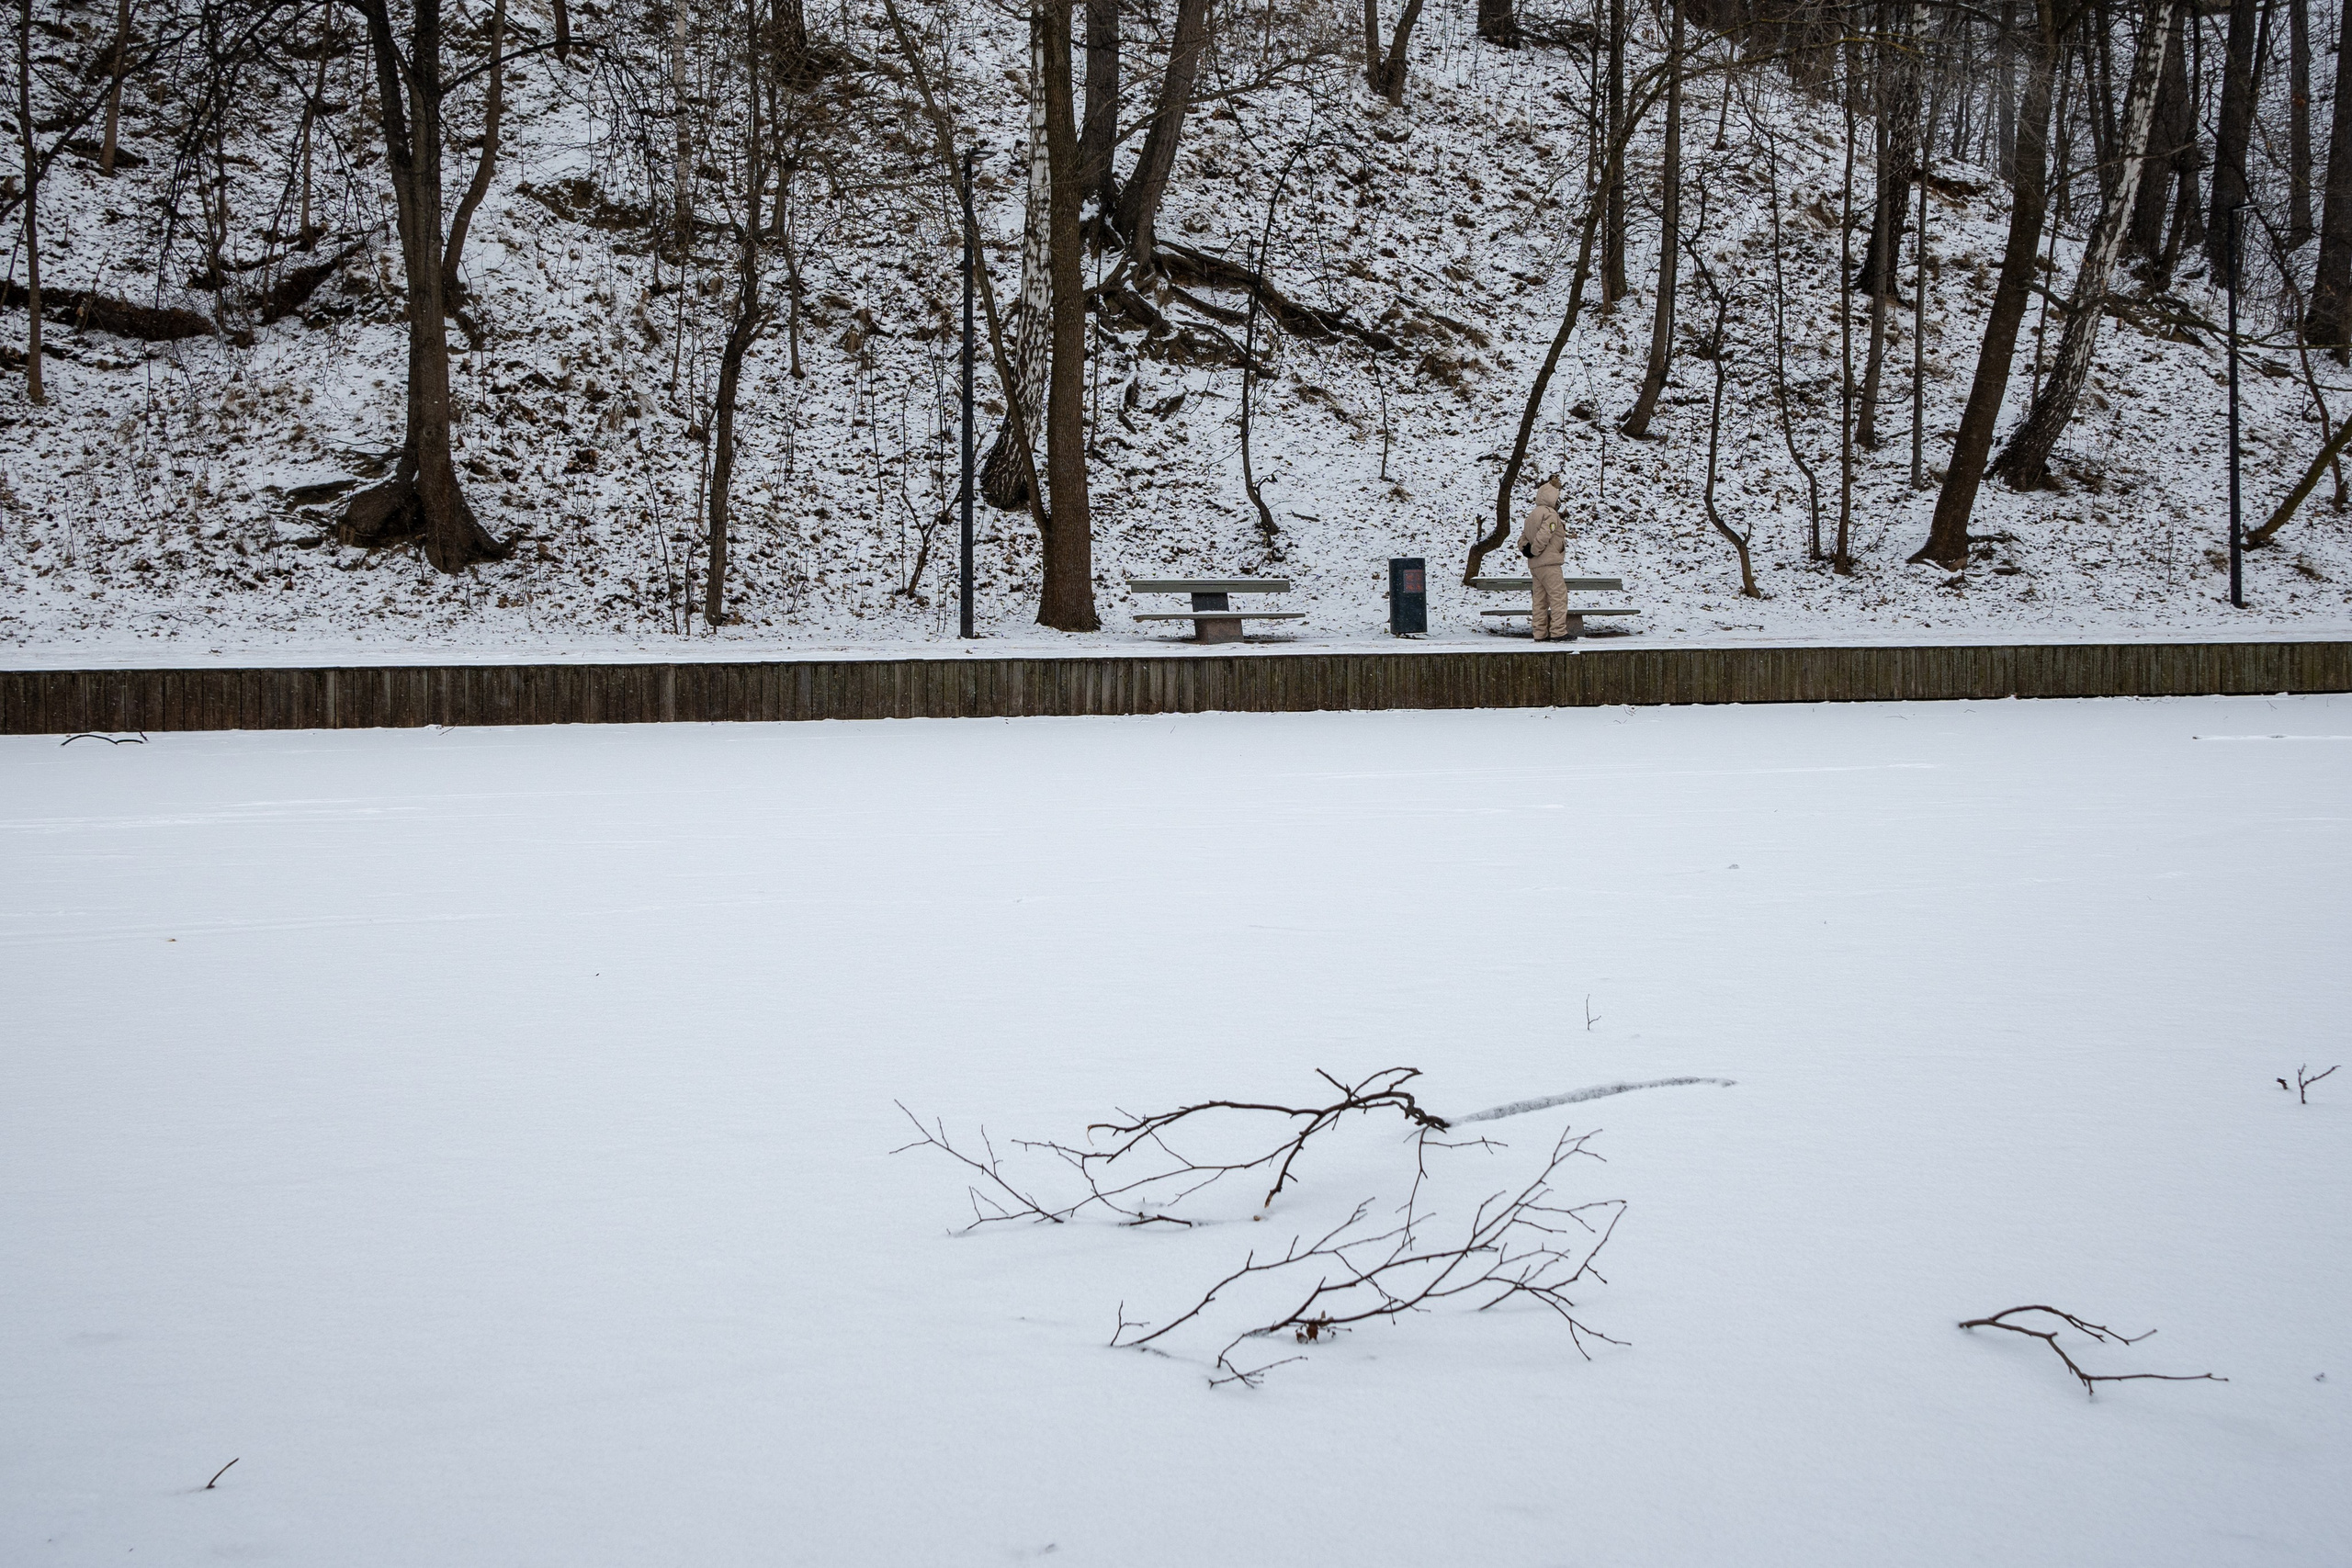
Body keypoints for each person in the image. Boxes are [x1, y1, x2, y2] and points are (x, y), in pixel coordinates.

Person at [1517, 473, 1570, 640]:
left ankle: (1539, 633)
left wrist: (1527, 550)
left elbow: (1522, 538)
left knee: (1539, 601)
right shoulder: (1550, 514)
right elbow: (1545, 534)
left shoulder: (1532, 515)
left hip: (1535, 566)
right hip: (1550, 563)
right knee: (1558, 597)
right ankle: (1558, 631)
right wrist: (1535, 550)